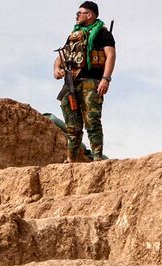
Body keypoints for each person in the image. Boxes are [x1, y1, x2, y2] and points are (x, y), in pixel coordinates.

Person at [54, 2, 117, 162]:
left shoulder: (102, 34)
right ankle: (71, 159)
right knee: (72, 125)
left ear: (89, 15)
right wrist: (56, 69)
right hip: (71, 83)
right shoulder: (74, 36)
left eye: (80, 13)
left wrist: (106, 78)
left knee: (92, 122)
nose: (77, 15)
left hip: (92, 82)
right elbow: (61, 57)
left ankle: (97, 158)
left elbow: (110, 55)